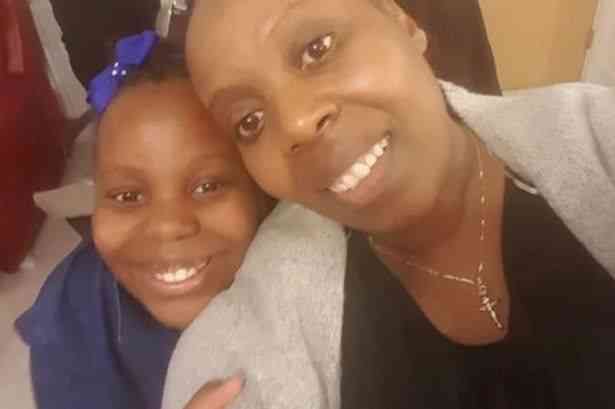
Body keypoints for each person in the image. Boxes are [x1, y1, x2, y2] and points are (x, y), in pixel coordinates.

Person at [163, 0, 615, 407]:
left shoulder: (598, 135)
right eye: (250, 121)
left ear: (403, 23)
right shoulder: (254, 334)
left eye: (317, 49)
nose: (296, 122)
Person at [15, 32, 271, 409]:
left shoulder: (311, 283)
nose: (167, 226)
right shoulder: (71, 318)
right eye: (128, 196)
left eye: (207, 186)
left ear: (260, 188)